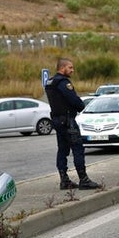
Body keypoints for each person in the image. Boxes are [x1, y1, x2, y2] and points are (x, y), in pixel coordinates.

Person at [44, 58, 99, 190]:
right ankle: (83, 179)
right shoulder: (64, 83)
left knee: (62, 150)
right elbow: (74, 100)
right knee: (77, 148)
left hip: (58, 120)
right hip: (68, 121)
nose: (72, 70)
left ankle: (64, 180)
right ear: (62, 68)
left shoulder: (50, 83)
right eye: (70, 68)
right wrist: (81, 105)